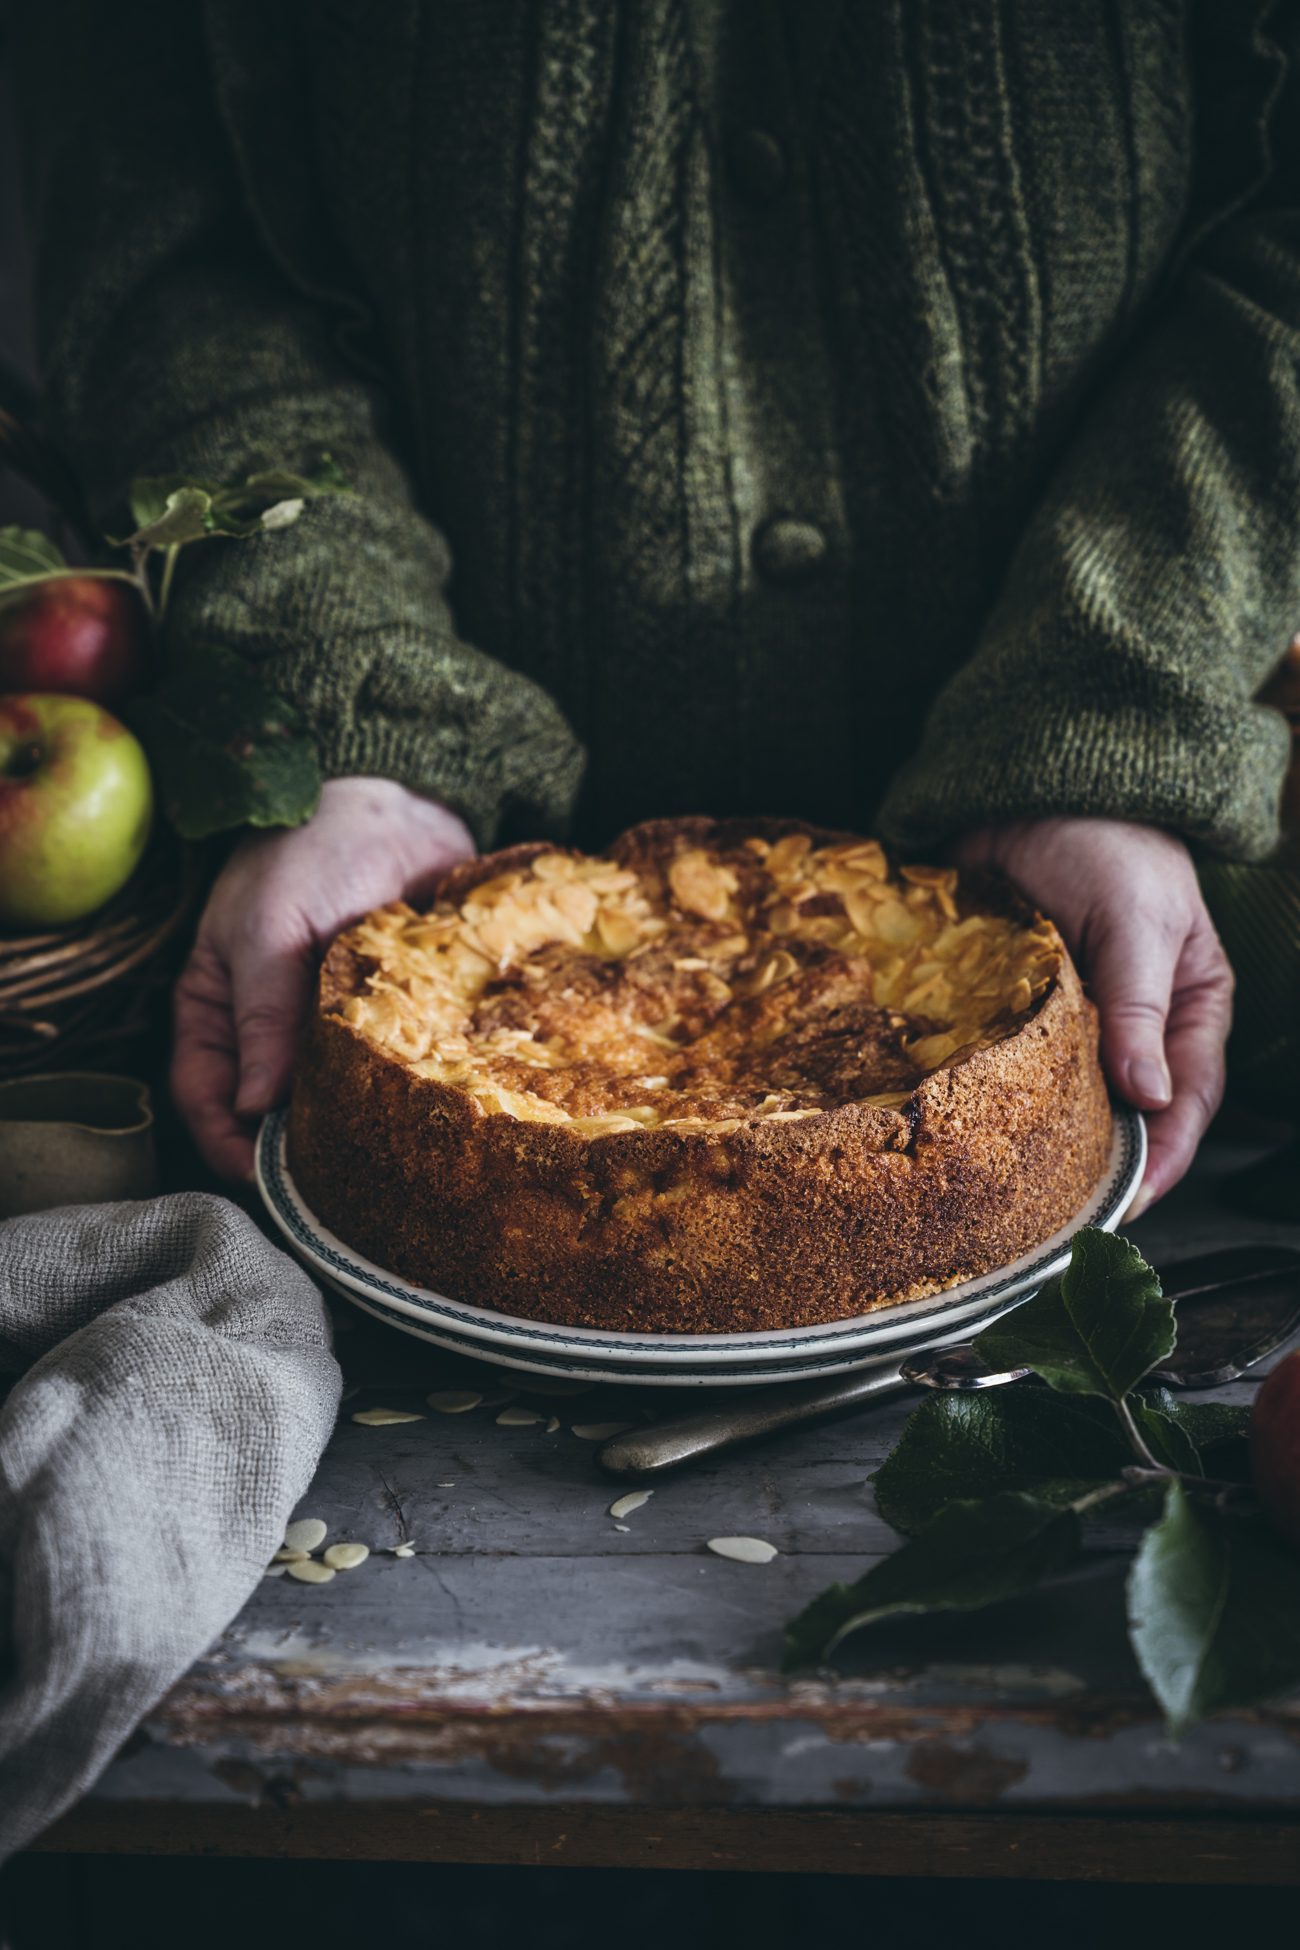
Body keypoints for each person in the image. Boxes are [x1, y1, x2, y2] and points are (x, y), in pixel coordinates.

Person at [18, 2, 1296, 1216]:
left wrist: (1115, 708)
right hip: (419, 886)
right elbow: (180, 245)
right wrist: (349, 717)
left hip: (1072, 901)